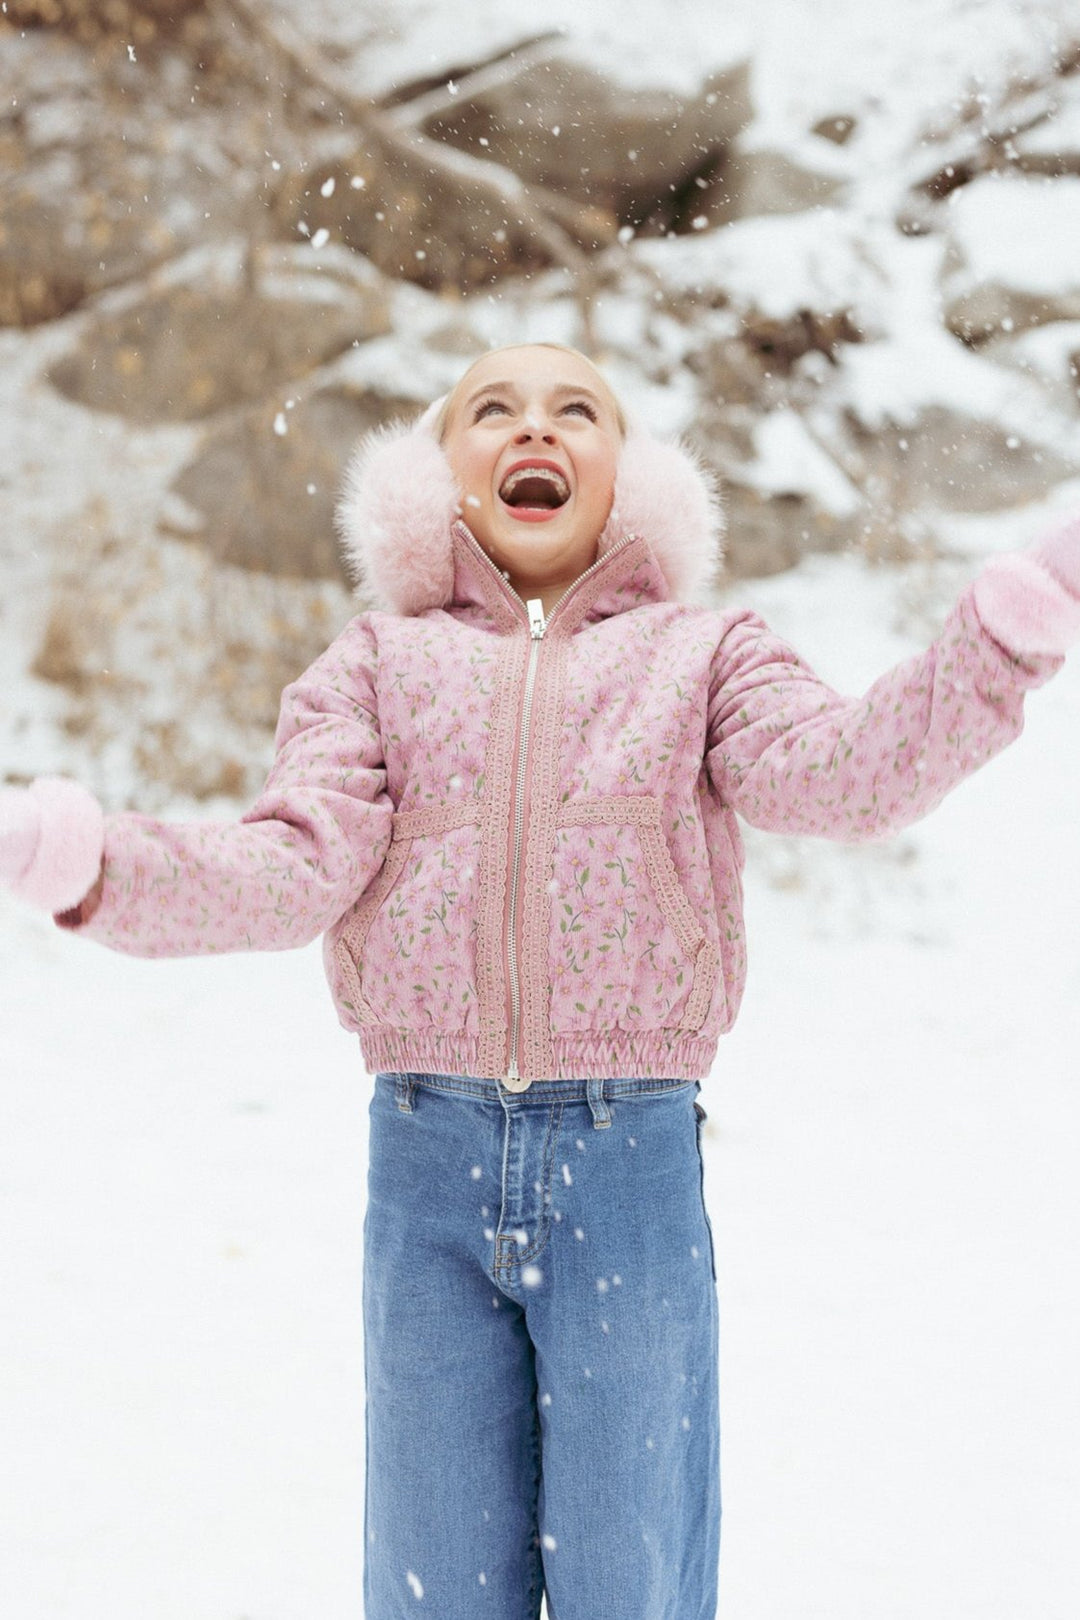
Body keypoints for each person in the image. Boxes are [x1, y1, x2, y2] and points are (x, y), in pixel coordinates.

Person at [2, 342, 1078, 1620]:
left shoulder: (705, 654)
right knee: (434, 1573)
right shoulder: (376, 665)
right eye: (493, 410)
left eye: (580, 410)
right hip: (428, 1162)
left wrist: (996, 643)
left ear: (626, 477)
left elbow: (837, 771)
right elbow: (291, 865)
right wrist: (94, 864)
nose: (538, 429)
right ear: (441, 471)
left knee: (634, 1574)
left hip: (628, 1165)